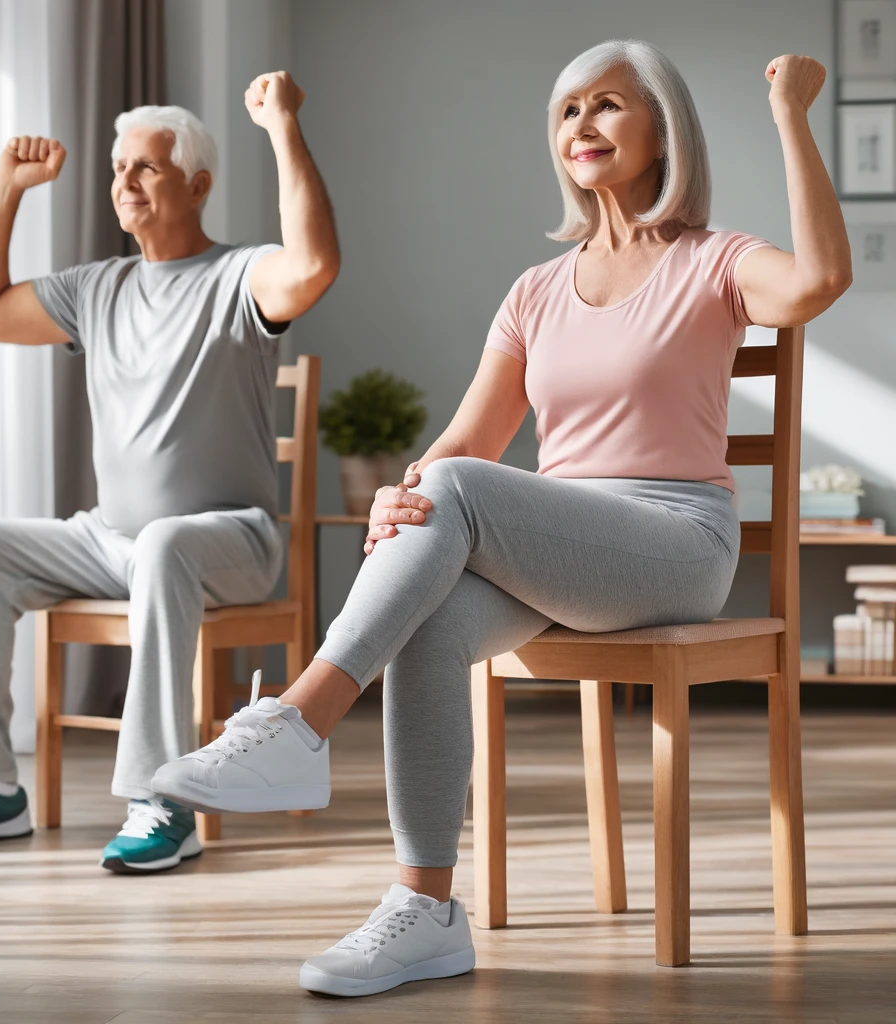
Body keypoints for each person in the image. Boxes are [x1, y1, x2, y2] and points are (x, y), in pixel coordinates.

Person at [154, 40, 851, 996]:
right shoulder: (535, 290)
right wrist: (408, 489)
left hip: (676, 544)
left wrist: (791, 117)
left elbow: (819, 282)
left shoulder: (719, 262)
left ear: (665, 132)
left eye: (609, 105)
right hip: (561, 548)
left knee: (462, 492)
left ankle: (297, 723)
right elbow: (466, 438)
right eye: (568, 111)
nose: (583, 125)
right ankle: (426, 909)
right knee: (430, 618)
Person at [0, 72, 340, 874]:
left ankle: (158, 794)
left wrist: (281, 127)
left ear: (198, 185)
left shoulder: (239, 276)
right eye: (118, 168)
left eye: (146, 167)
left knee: (167, 542)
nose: (124, 182)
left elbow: (313, 262)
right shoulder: (97, 287)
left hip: (227, 540)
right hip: (109, 541)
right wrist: (8, 186)